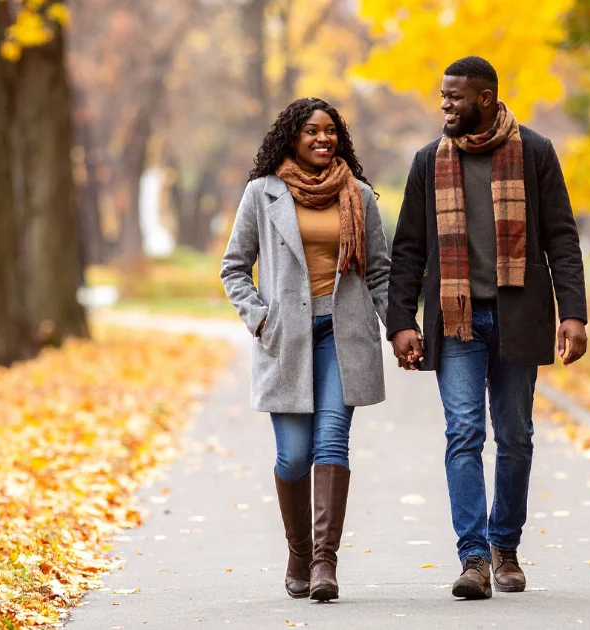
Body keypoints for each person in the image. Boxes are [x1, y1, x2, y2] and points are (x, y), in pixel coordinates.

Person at [386, 56, 589, 600]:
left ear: (485, 98)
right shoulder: (429, 161)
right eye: (442, 95)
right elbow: (408, 248)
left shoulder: (536, 153)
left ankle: (506, 546)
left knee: (516, 437)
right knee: (464, 434)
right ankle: (474, 557)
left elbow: (562, 238)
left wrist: (574, 312)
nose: (444, 105)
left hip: (519, 316)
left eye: (454, 96)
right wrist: (400, 320)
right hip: (457, 323)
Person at [220, 97, 391, 602]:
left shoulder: (359, 196)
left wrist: (402, 328)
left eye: (331, 131)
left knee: (331, 441)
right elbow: (234, 267)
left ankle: (323, 563)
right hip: (286, 337)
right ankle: (298, 550)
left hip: (344, 334)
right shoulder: (262, 194)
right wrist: (260, 316)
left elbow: (379, 271)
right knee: (293, 458)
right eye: (312, 131)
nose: (323, 138)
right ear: (292, 137)